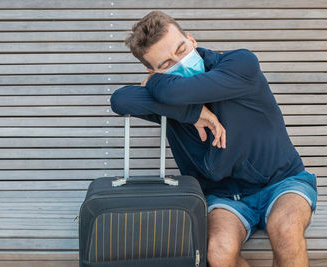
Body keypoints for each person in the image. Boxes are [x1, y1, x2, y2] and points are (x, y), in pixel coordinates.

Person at [109, 10, 318, 267]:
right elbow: (121, 100)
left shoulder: (240, 64)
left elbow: (178, 92)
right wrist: (192, 113)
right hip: (224, 197)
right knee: (218, 253)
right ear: (151, 69)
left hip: (282, 182)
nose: (180, 61)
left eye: (182, 49)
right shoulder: (169, 100)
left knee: (286, 231)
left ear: (192, 39)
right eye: (166, 64)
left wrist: (155, 83)